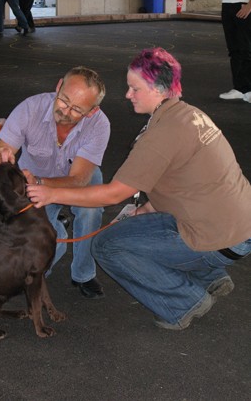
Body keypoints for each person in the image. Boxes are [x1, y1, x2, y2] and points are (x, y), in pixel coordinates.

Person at [27, 47, 251, 330]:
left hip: (224, 237)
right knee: (132, 229)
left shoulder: (162, 134)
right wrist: (144, 209)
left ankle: (184, 301)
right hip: (236, 224)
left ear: (158, 89)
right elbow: (181, 184)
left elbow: (113, 194)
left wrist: (51, 193)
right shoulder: (187, 114)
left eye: (134, 88)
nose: (127, 95)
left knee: (107, 245)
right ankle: (210, 276)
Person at [0, 66, 110, 299]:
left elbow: (79, 180)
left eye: (77, 110)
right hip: (35, 182)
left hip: (75, 177)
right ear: (59, 86)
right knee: (48, 249)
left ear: (91, 111)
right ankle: (55, 228)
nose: (66, 111)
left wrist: (41, 182)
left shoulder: (100, 125)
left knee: (90, 212)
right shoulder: (30, 108)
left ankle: (83, 273)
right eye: (63, 100)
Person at [212, 0, 251, 103]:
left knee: (246, 49)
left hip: (244, 4)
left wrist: (249, 6)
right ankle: (239, 88)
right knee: (234, 49)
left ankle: (249, 89)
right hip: (228, 4)